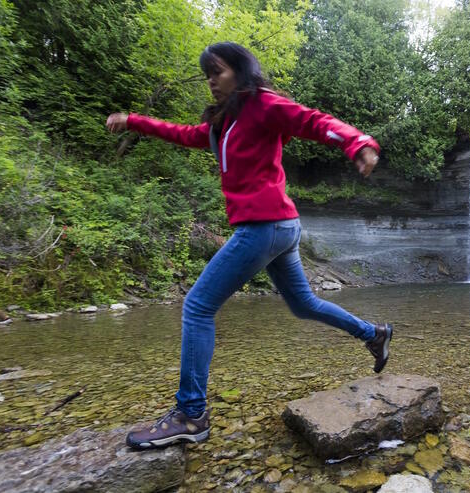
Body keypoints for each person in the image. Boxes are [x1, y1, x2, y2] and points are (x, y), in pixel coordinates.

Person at [106, 42, 393, 449]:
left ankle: (191, 414)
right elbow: (183, 134)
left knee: (197, 306)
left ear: (240, 71)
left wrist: (357, 143)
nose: (210, 81)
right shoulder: (223, 123)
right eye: (207, 74)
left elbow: (312, 120)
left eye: (217, 72)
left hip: (265, 226)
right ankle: (374, 334)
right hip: (280, 226)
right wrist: (134, 121)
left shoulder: (263, 105)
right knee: (303, 304)